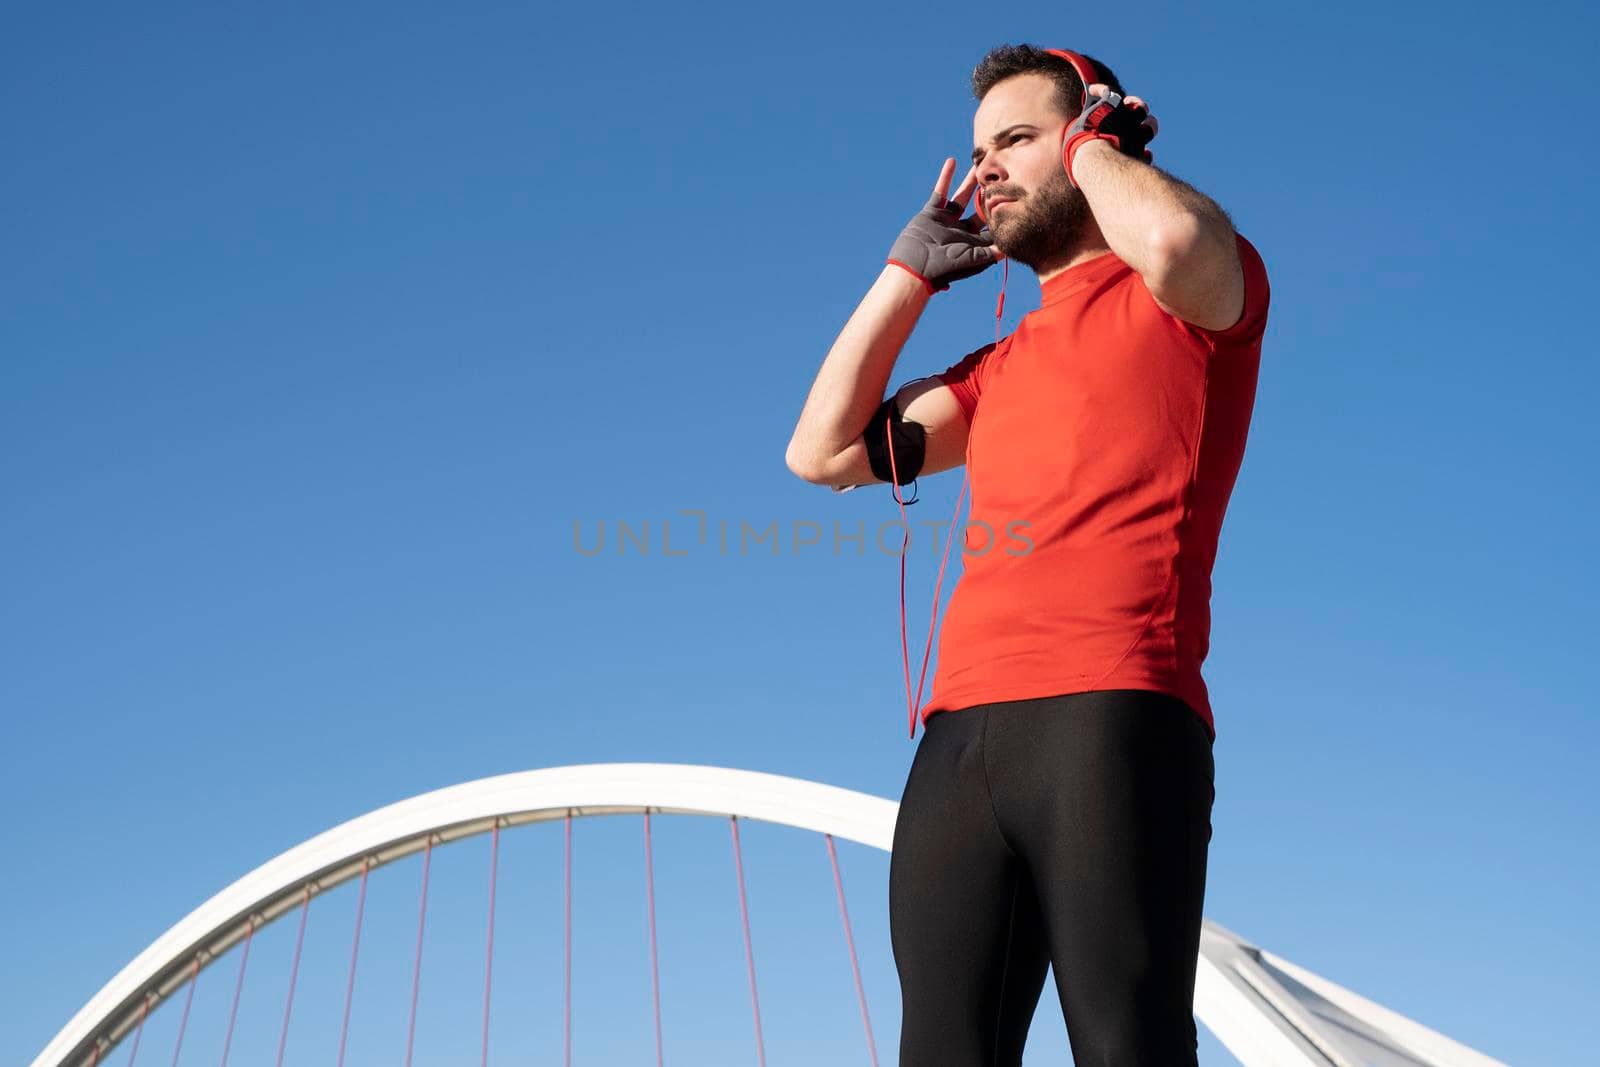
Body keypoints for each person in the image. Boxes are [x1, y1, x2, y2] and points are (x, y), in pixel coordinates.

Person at [785, 43, 1270, 1065]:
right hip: (959, 740)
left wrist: (1091, 146)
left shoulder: (1191, 298)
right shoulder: (994, 368)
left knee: (1124, 1043)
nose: (984, 170)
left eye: (1014, 139)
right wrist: (906, 275)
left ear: (1096, 132)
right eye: (974, 150)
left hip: (1112, 713)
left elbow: (1175, 234)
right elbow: (819, 451)